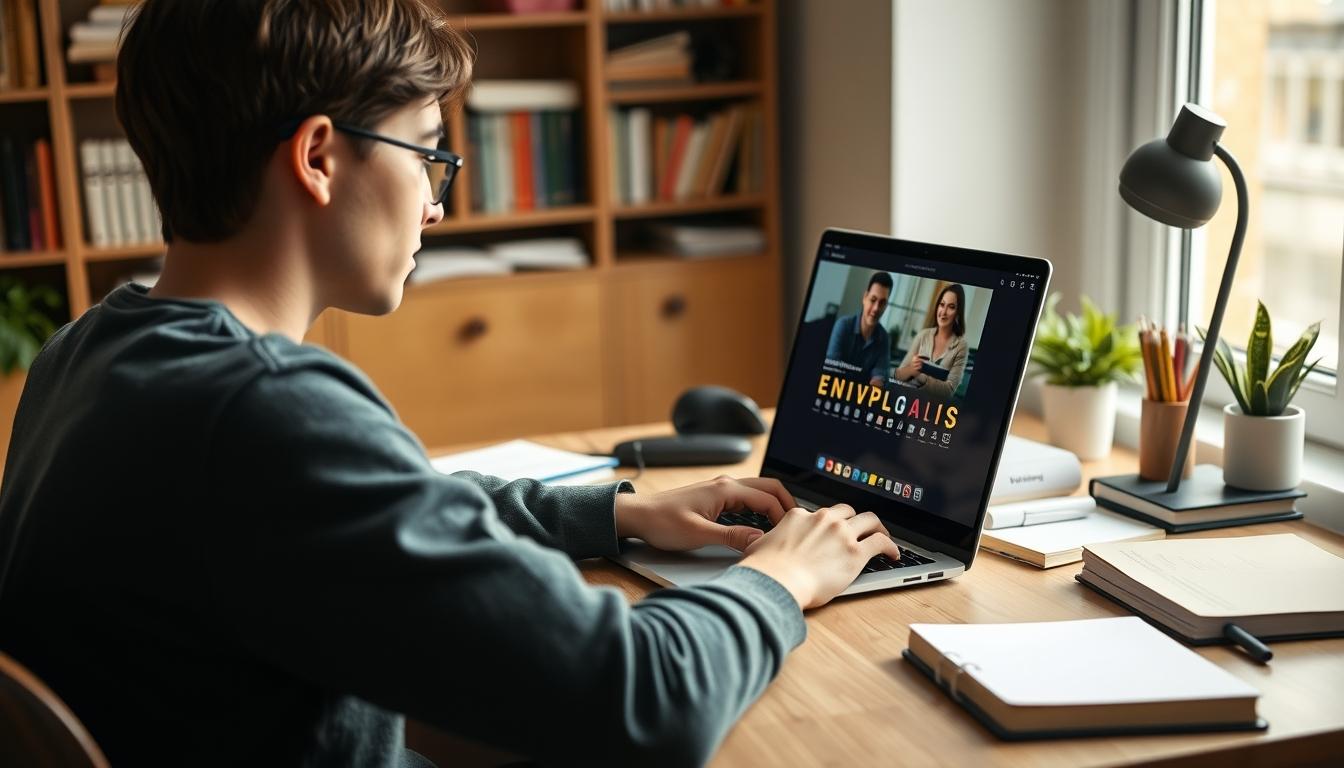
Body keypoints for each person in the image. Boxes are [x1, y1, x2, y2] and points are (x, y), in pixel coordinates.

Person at [0, 2, 902, 766]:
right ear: (317, 157)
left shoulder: (89, 351)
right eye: (428, 154)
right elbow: (647, 701)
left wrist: (617, 511)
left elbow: (386, 510)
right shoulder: (267, 412)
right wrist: (783, 577)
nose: (438, 202)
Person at [894, 283, 970, 399]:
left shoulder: (961, 347)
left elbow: (948, 391)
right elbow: (897, 375)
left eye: (951, 307)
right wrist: (912, 369)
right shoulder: (923, 335)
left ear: (958, 313)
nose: (943, 312)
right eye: (942, 305)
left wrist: (920, 376)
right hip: (906, 399)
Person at [825, 271, 893, 387]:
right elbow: (831, 370)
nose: (876, 308)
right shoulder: (843, 326)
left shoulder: (884, 339)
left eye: (882, 303)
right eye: (873, 300)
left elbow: (879, 376)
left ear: (886, 306)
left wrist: (877, 383)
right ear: (865, 298)